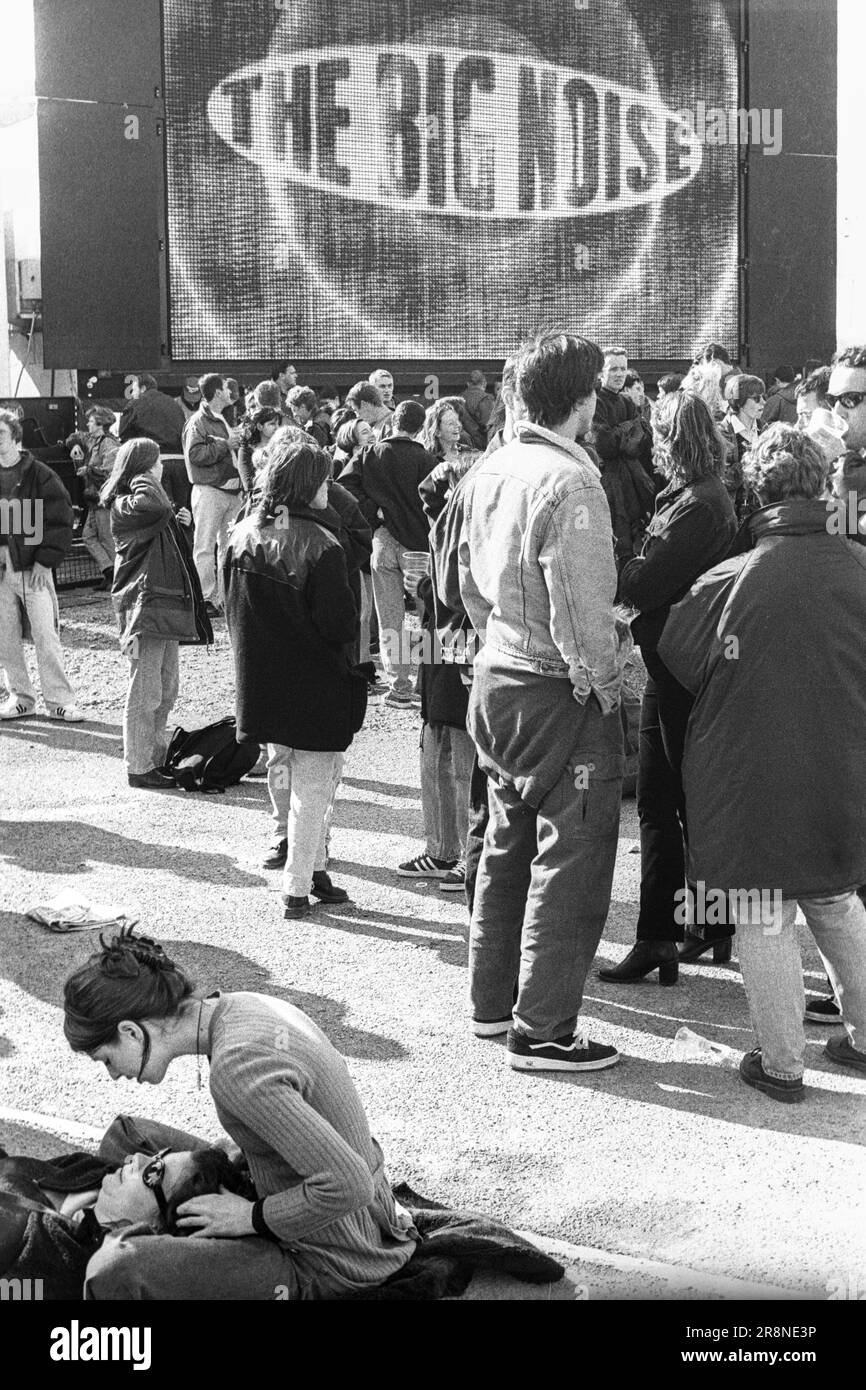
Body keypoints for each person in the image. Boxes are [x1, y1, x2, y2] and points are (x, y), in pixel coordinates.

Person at [658, 426, 866, 1101]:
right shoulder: (859, 565)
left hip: (746, 771)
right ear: (822, 487)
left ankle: (783, 1065)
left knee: (762, 908)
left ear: (758, 491)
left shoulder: (726, 579)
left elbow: (677, 659)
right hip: (841, 763)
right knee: (835, 898)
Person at [62, 929, 416, 1300]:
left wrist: (248, 1218)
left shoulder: (236, 1067)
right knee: (126, 1135)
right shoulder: (237, 1007)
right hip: (352, 1209)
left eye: (106, 1059)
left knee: (116, 1270)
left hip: (331, 1256)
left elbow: (351, 1184)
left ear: (131, 1032)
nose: (114, 1074)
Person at [456, 330, 628, 1073]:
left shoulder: (491, 467)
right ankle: (546, 1029)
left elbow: (463, 581)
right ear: (582, 399)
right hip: (557, 688)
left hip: (496, 674)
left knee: (506, 843)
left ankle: (493, 1007)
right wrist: (611, 688)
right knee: (576, 858)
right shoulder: (572, 481)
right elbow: (584, 612)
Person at [599, 391, 737, 985]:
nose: (650, 441)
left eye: (657, 432)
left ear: (672, 438)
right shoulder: (696, 498)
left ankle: (667, 932)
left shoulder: (699, 505)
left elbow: (642, 583)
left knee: (668, 803)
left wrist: (622, 554)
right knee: (676, 800)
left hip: (683, 667)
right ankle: (701, 925)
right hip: (680, 664)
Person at [224, 431, 366, 918]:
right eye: (323, 480)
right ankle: (298, 883)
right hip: (315, 685)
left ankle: (309, 867)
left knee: (283, 770)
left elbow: (231, 612)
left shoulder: (242, 533)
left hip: (262, 682)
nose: (329, 487)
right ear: (307, 485)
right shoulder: (322, 544)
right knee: (314, 787)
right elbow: (340, 624)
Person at [0, 1121, 254, 1300]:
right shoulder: (95, 1175)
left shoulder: (42, 1259)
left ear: (156, 1229)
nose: (136, 1158)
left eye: (154, 1173)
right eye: (158, 1156)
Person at [103, 438, 211, 789]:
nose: (163, 468)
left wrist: (179, 522)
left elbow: (164, 542)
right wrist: (144, 476)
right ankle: (138, 765)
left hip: (160, 607)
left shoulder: (149, 505)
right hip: (144, 607)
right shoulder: (127, 504)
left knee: (166, 688)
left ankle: (155, 757)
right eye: (156, 463)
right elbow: (152, 505)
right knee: (145, 690)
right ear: (144, 468)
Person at [339, 399, 435, 709]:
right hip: (418, 548)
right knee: (426, 617)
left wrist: (374, 511)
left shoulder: (371, 454)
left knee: (389, 617)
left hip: (382, 541)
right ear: (420, 428)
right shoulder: (427, 459)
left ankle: (399, 688)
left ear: (393, 423)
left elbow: (343, 487)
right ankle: (425, 684)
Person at [0, 407, 83, 722]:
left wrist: (45, 562)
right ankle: (21, 698)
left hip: (32, 569)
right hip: (4, 570)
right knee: (5, 638)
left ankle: (59, 701)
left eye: (0, 434)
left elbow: (60, 521)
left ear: (15, 437)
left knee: (46, 636)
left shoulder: (39, 474)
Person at [182, 373, 245, 618]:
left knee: (228, 548)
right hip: (209, 491)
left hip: (231, 490)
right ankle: (206, 598)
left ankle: (226, 595)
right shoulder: (198, 421)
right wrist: (225, 445)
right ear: (218, 392)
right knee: (205, 547)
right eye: (226, 389)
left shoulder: (223, 418)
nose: (231, 392)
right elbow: (194, 455)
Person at [591, 347, 656, 579]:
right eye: (613, 369)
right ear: (601, 373)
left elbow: (639, 445)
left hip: (632, 481)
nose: (619, 374)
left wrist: (624, 434)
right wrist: (630, 430)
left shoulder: (627, 403)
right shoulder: (595, 402)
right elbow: (605, 445)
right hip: (610, 483)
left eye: (623, 368)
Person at [75, 405, 119, 591]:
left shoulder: (107, 444)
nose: (88, 424)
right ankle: (110, 572)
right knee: (89, 537)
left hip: (102, 499)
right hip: (96, 499)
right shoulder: (97, 441)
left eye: (91, 421)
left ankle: (116, 577)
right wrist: (75, 444)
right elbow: (74, 437)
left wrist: (89, 470)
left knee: (106, 540)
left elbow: (111, 471)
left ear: (100, 424)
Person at [718, 374, 766, 521]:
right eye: (757, 398)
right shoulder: (721, 434)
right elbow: (721, 480)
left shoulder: (766, 431)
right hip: (733, 515)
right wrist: (748, 464)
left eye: (763, 397)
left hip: (762, 511)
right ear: (739, 401)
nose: (763, 403)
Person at [119, 374, 186, 454]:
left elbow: (124, 435)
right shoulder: (174, 404)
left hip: (150, 458)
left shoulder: (134, 404)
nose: (132, 394)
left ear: (143, 389)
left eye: (133, 390)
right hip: (179, 457)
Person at [461, 369, 495, 450]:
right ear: (484, 383)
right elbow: (489, 424)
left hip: (462, 444)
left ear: (468, 384)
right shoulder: (485, 399)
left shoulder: (460, 398)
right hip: (480, 446)